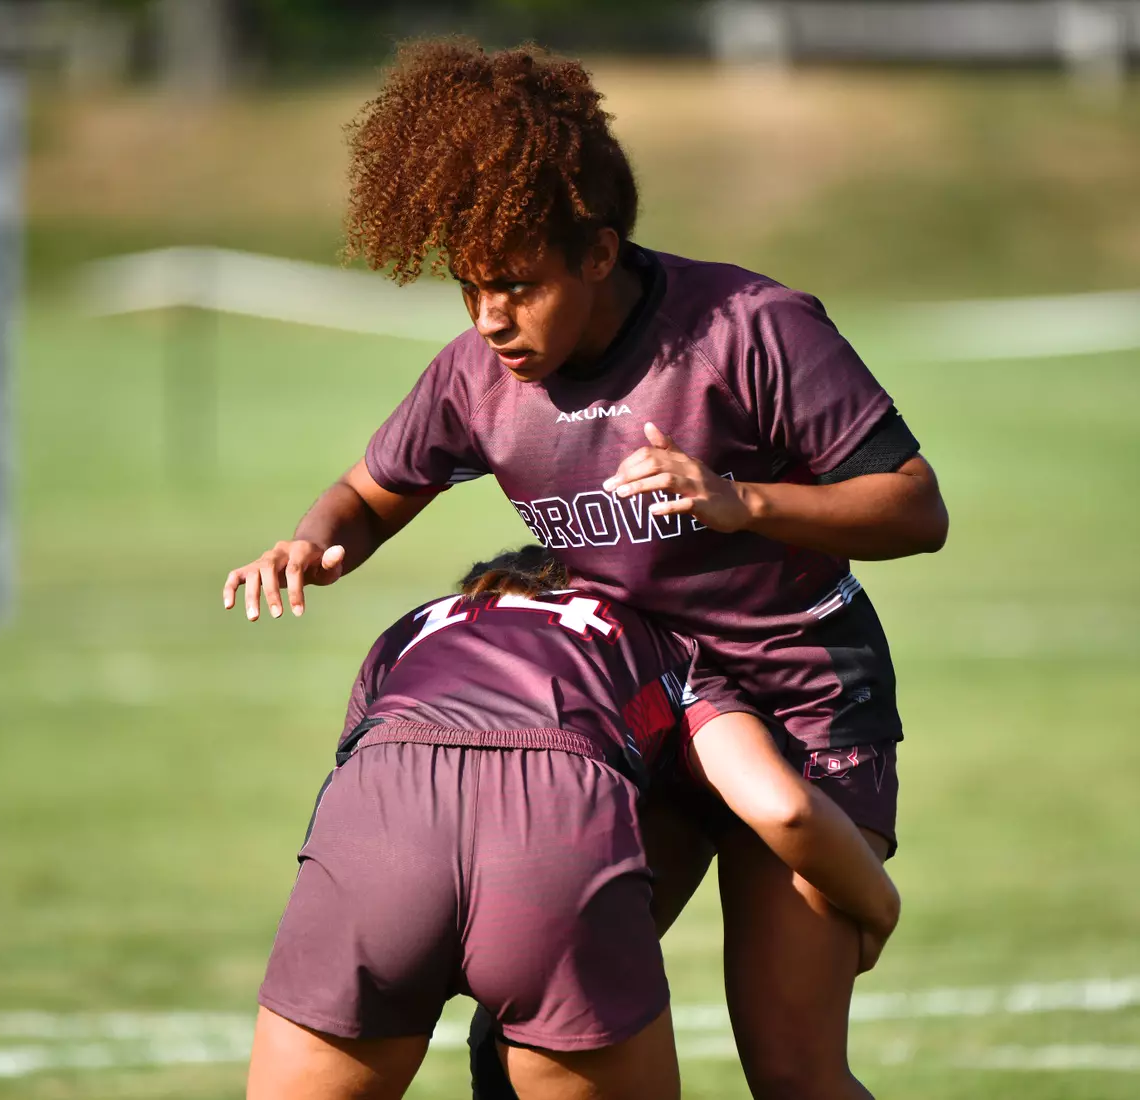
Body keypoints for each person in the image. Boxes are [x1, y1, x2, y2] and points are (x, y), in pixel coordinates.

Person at [224, 39, 949, 1100]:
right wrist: (312, 539)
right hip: (632, 707)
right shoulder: (479, 375)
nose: (488, 319)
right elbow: (370, 492)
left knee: (795, 1071)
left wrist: (745, 501)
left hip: (798, 704)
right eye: (470, 287)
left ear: (600, 254)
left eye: (516, 286)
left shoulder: (750, 329)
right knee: (529, 1027)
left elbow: (917, 507)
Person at [247, 547, 899, 1100]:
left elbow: (354, 767)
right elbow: (780, 806)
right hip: (551, 834)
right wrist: (878, 906)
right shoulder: (660, 635)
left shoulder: (411, 629)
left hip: (381, 817)